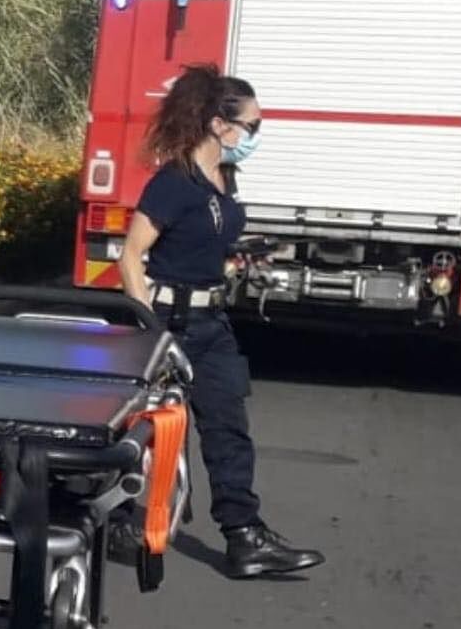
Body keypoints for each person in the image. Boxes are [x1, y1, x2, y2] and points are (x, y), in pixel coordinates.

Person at [116, 65, 324, 579]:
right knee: (148, 431)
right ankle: (121, 521)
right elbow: (130, 257)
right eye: (250, 126)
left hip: (213, 325)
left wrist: (237, 257)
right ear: (217, 124)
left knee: (228, 428)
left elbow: (202, 238)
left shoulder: (222, 178)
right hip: (170, 322)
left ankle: (245, 538)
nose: (255, 136)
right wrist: (151, 332)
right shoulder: (174, 181)